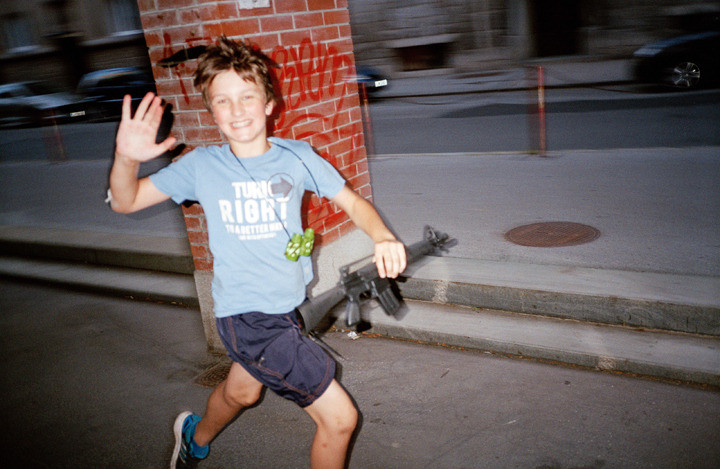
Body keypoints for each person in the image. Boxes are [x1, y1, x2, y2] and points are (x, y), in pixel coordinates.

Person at [109, 36, 407, 468]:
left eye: (247, 96)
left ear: (269, 103)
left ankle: (193, 438)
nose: (237, 110)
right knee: (340, 420)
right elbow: (126, 200)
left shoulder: (297, 156)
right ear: (212, 112)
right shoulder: (202, 165)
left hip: (286, 307)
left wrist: (382, 236)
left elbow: (353, 202)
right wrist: (126, 158)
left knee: (243, 392)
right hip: (247, 316)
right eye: (223, 101)